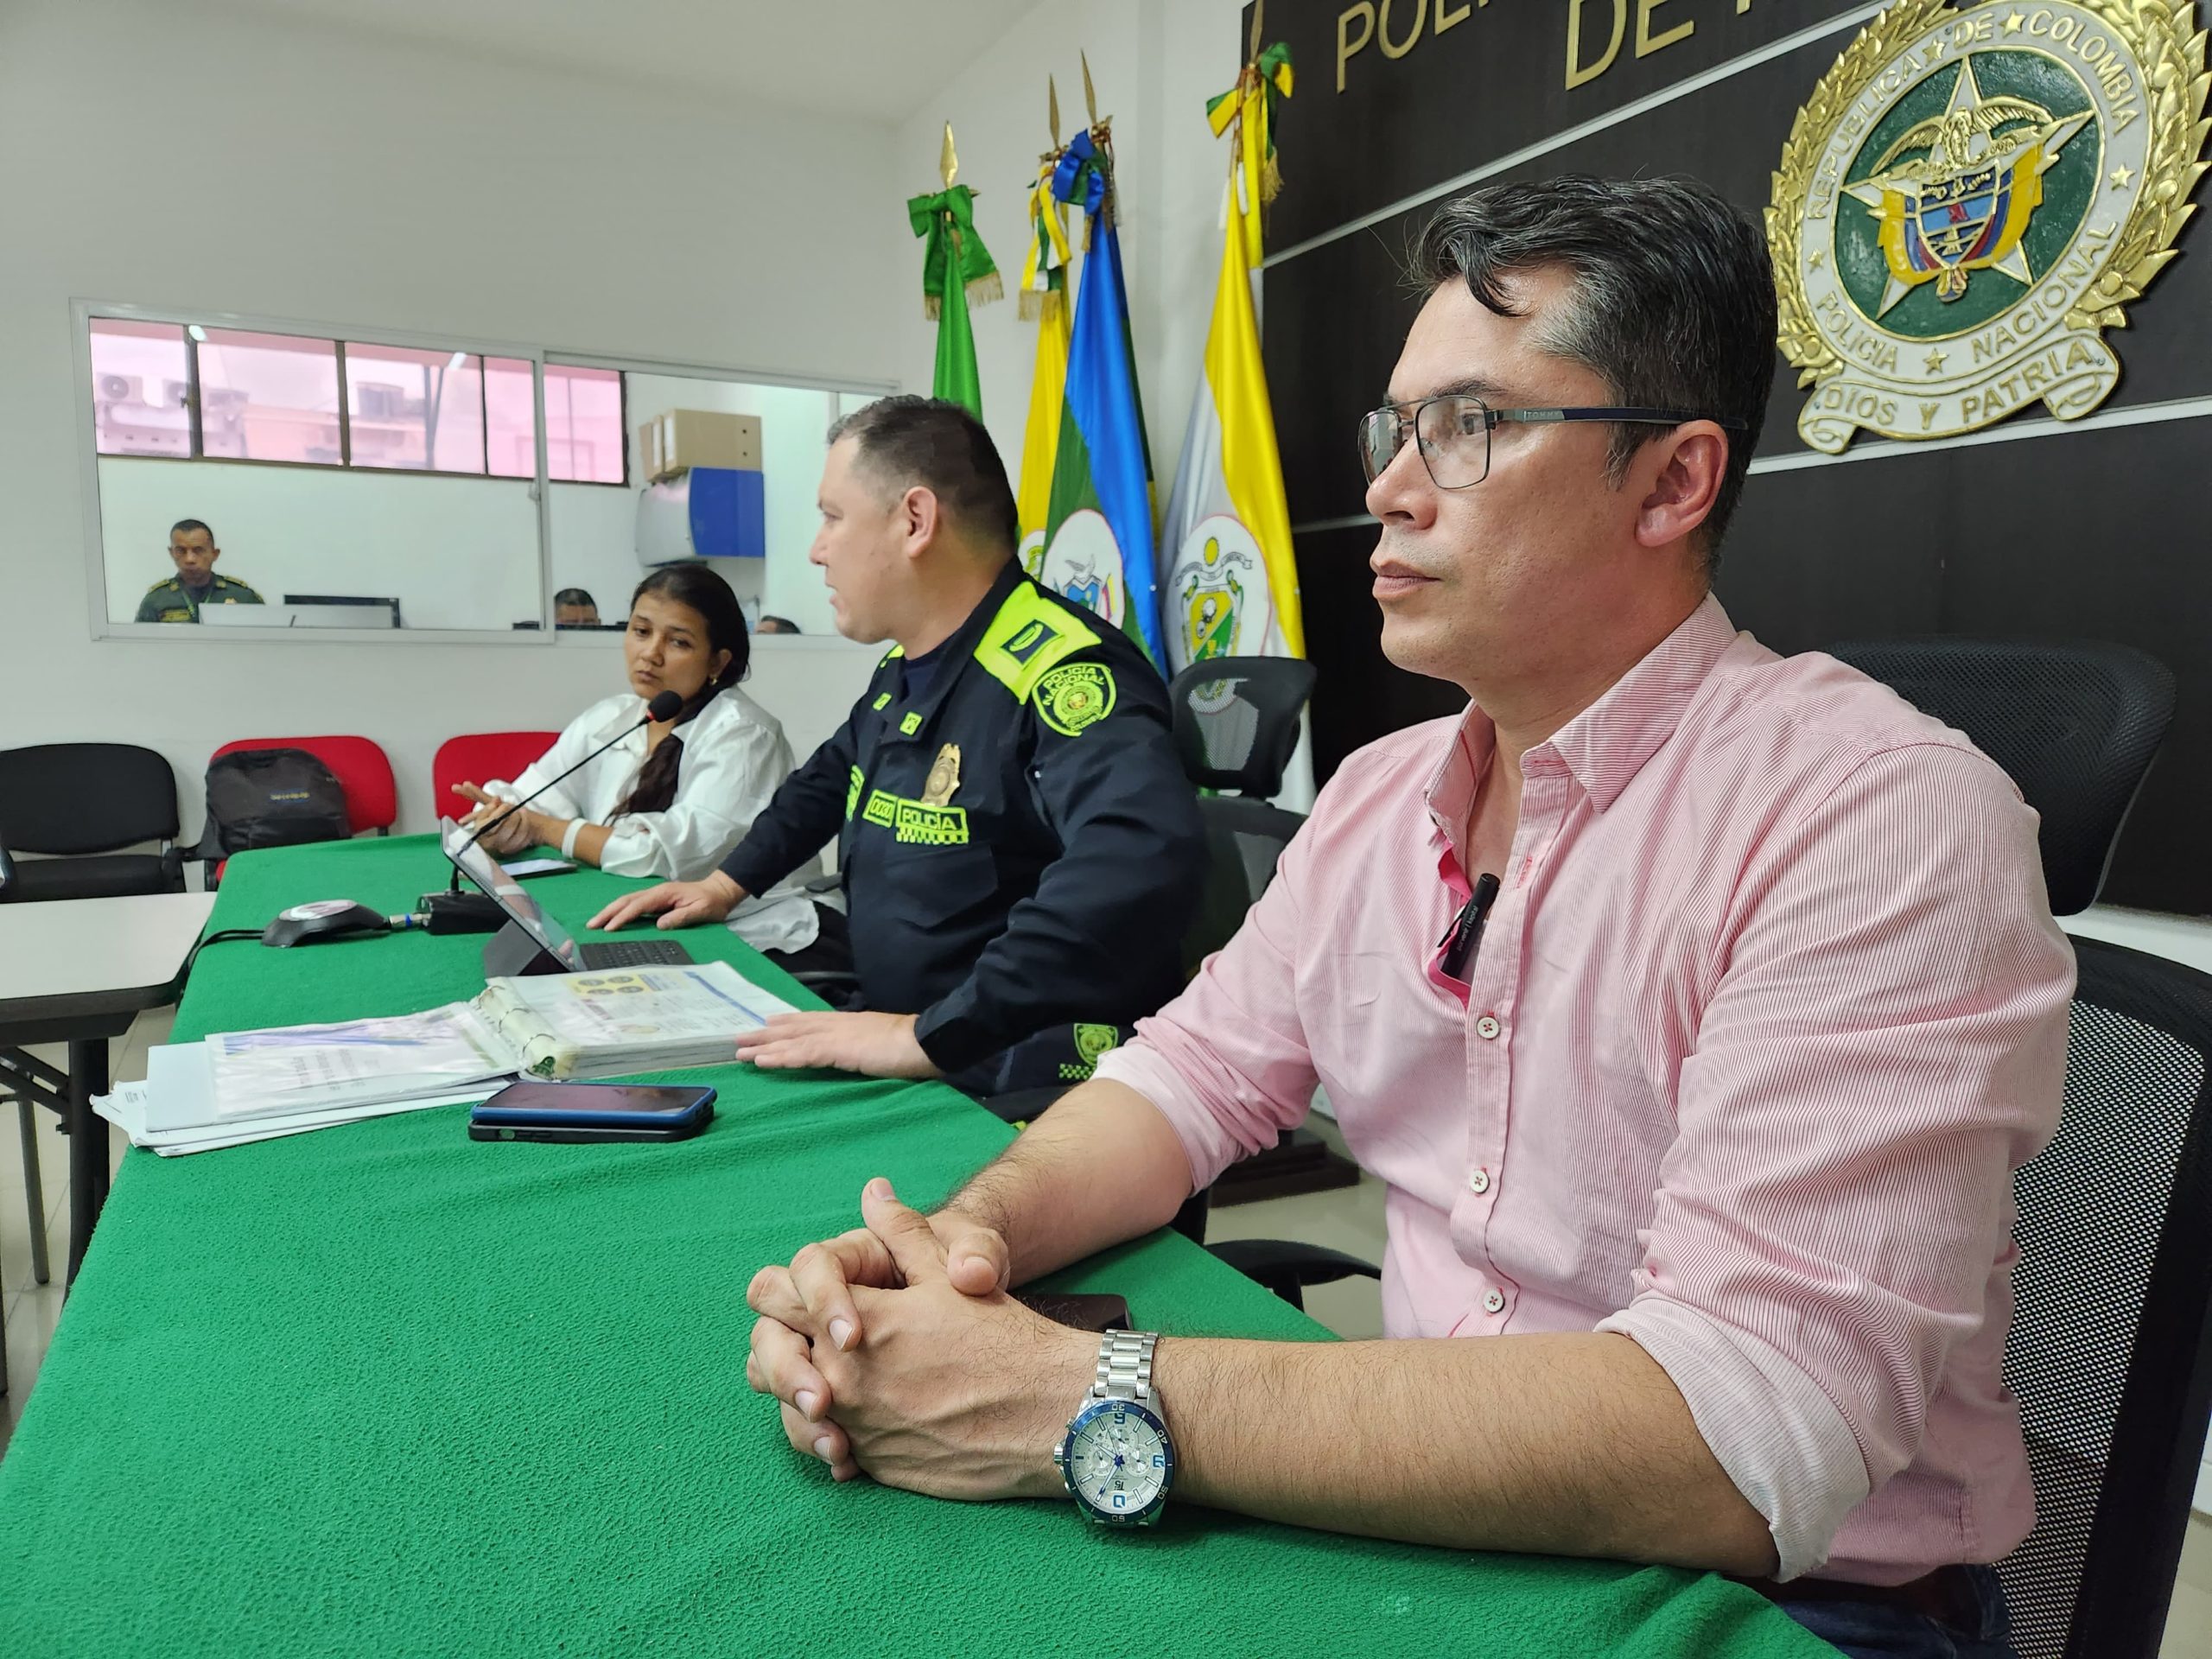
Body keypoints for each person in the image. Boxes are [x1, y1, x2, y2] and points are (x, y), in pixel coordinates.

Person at [738, 178, 2075, 1659]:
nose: (1388, 487)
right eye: (1396, 429)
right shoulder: (1380, 798)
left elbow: (1741, 1436)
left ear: (1672, 482)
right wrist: (958, 1249)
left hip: (1786, 1606)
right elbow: (1188, 1083)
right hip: (1442, 1522)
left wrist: (1076, 1395)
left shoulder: (1876, 814)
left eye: (1472, 427)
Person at [589, 396, 1205, 1096]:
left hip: (1020, 1068)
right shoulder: (909, 666)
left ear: (915, 521)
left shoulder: (1062, 672)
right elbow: (826, 781)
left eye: (832, 517)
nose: (817, 550)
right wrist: (724, 886)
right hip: (910, 1040)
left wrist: (925, 1035)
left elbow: (1134, 862)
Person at [455, 564, 822, 957]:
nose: (651, 653)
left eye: (678, 642)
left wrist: (541, 828)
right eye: (641, 632)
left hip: (755, 932)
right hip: (643, 917)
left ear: (717, 662)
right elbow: (532, 795)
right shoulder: (611, 718)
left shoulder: (745, 734)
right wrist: (500, 821)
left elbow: (658, 857)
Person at [135, 519, 263, 621]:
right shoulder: (157, 600)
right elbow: (139, 648)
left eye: (198, 550)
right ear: (171, 553)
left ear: (215, 554)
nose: (189, 559)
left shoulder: (243, 597)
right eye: (181, 551)